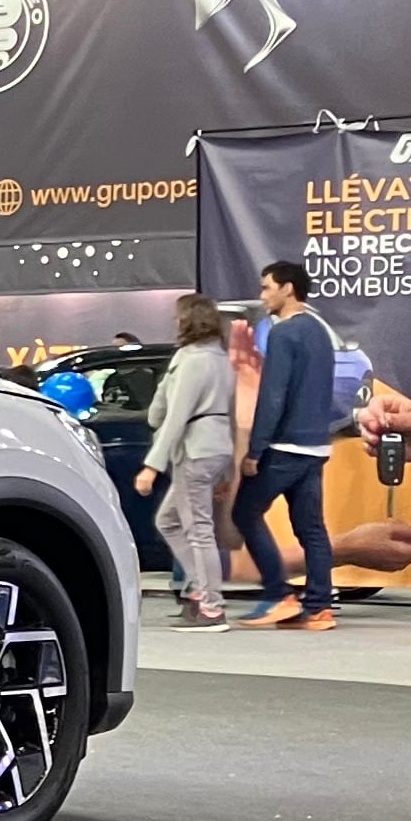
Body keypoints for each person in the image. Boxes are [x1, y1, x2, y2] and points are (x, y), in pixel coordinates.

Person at [232, 260, 340, 629]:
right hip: (316, 446)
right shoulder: (320, 332)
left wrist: (255, 451)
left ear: (287, 289)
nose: (263, 296)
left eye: (267, 287)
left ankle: (279, 594)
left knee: (244, 512)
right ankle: (319, 608)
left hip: (284, 447)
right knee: (311, 529)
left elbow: (273, 396)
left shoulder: (283, 334)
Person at [134, 291, 236, 629]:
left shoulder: (191, 361)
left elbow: (173, 417)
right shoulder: (221, 358)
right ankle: (200, 589)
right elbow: (230, 414)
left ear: (186, 321)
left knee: (198, 531)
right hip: (216, 447)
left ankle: (211, 606)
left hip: (195, 449)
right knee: (170, 521)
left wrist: (151, 466)